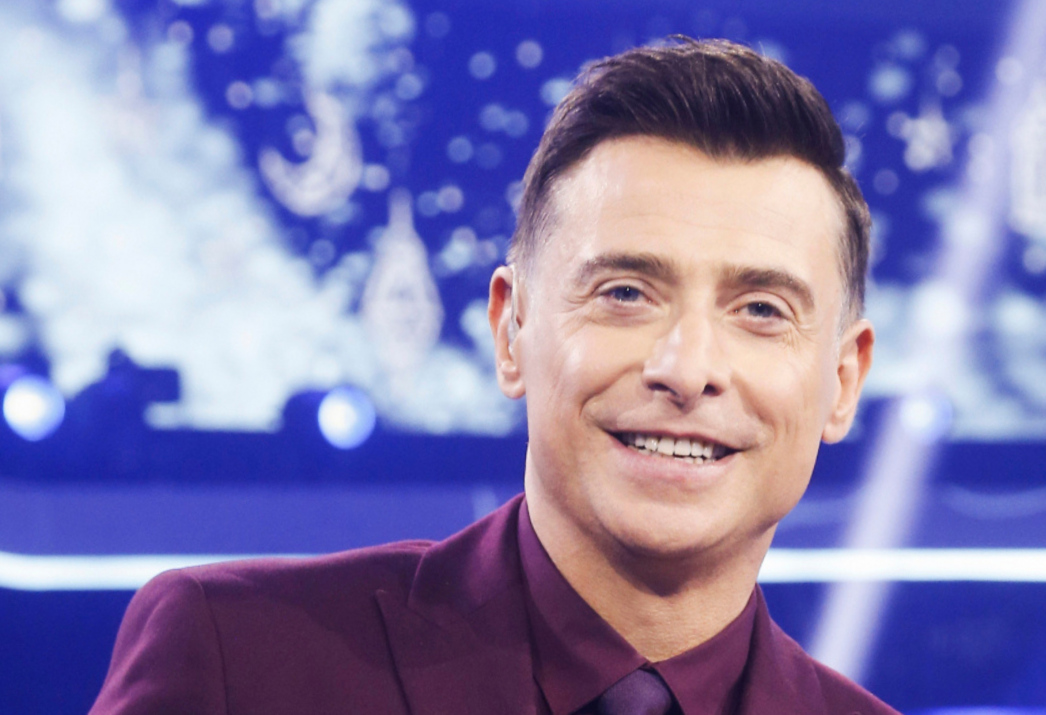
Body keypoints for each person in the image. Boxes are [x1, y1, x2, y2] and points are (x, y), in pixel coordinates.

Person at [91, 38, 893, 714]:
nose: (687, 369)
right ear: (511, 330)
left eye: (761, 310)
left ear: (844, 380)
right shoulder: (237, 658)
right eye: (625, 293)